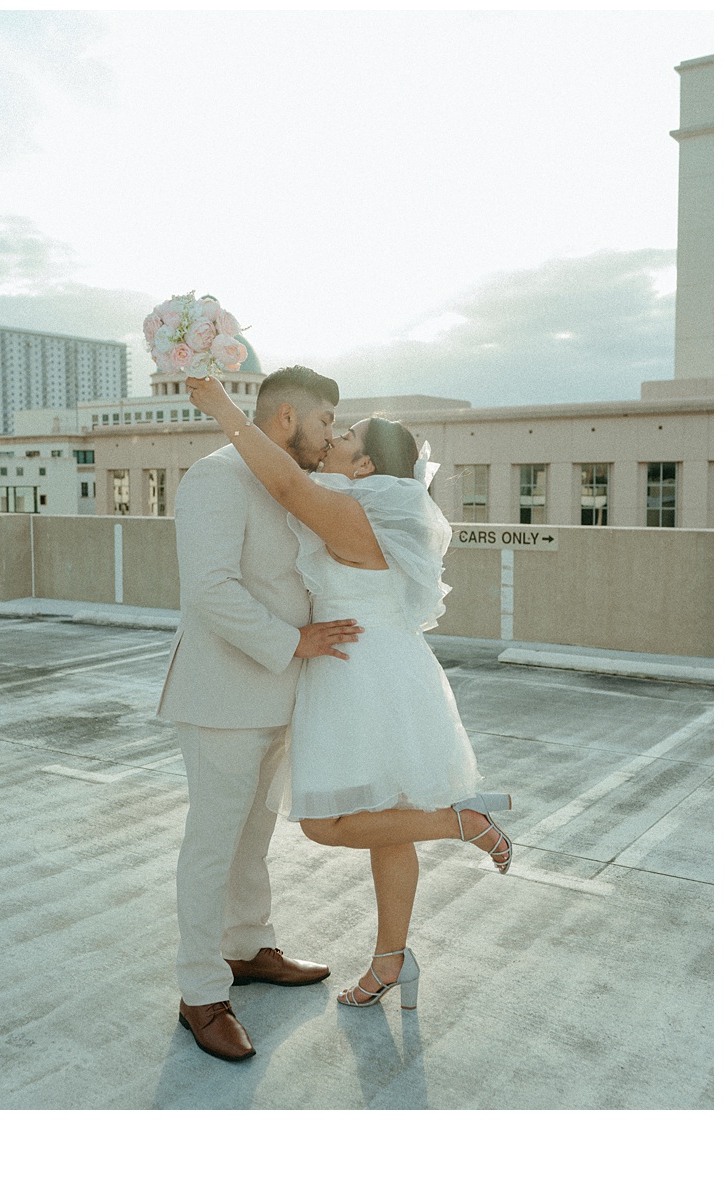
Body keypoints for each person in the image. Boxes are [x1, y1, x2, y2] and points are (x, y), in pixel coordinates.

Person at [184, 373, 514, 1015]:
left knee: (325, 823)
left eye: (346, 433)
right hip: (380, 672)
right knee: (389, 825)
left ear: (364, 464)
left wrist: (222, 406)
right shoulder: (379, 509)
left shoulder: (355, 512)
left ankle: (463, 820)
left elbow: (284, 484)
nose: (334, 435)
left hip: (358, 675)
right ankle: (392, 960)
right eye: (331, 424)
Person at [158, 365, 366, 1062]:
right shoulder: (218, 477)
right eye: (325, 424)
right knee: (212, 844)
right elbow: (209, 588)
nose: (330, 437)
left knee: (253, 835)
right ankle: (200, 992)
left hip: (281, 694)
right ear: (286, 418)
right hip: (220, 696)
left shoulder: (290, 479)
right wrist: (295, 642)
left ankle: (247, 948)